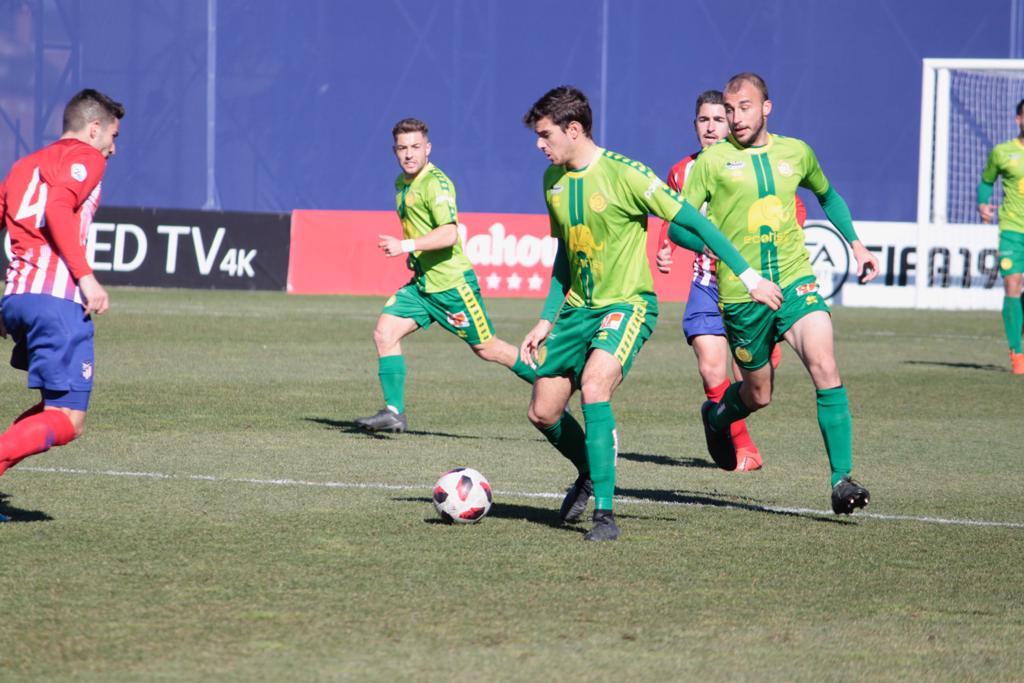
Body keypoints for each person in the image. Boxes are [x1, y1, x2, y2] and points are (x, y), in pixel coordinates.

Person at [520, 86, 781, 541]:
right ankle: (589, 471)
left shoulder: (627, 175)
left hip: (628, 305)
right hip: (577, 311)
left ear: (574, 129)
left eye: (545, 135)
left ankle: (604, 514)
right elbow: (567, 254)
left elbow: (696, 223)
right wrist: (546, 318)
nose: (540, 144)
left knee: (596, 387)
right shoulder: (553, 182)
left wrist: (750, 277)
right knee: (543, 412)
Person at [682, 73, 879, 515]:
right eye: (729, 110)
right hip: (742, 296)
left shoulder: (797, 151)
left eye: (744, 108)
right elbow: (680, 225)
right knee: (758, 396)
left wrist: (856, 242)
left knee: (824, 363)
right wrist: (731, 260)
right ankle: (716, 417)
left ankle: (841, 479)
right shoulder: (712, 163)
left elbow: (829, 196)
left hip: (794, 280)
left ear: (767, 107)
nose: (734, 119)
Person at [655, 90, 807, 472]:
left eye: (718, 120)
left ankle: (736, 402)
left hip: (754, 286)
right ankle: (741, 446)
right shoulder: (681, 171)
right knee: (711, 367)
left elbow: (796, 210)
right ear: (694, 126)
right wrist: (666, 246)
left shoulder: (758, 162)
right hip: (708, 283)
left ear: (732, 122)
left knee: (756, 386)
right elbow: (673, 214)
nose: (711, 128)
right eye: (703, 121)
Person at [355, 118, 537, 433]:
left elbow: (449, 234)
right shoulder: (403, 183)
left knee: (488, 349)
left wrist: (405, 246)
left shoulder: (436, 183)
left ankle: (550, 381)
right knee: (385, 333)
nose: (409, 154)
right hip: (423, 286)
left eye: (415, 147)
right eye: (402, 148)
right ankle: (394, 412)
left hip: (452, 287)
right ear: (395, 151)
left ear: (428, 148)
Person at [0, 88, 123, 497]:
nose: (113, 148)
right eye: (113, 136)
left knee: (61, 410)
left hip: (19, 299)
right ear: (94, 129)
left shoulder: (24, 165)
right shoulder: (85, 156)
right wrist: (86, 277)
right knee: (69, 418)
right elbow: (57, 211)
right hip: (56, 300)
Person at [977, 98, 1024, 375]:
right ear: (1018, 119)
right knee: (1012, 285)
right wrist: (983, 203)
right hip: (1012, 230)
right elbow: (986, 181)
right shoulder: (1002, 152)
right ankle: (1017, 354)